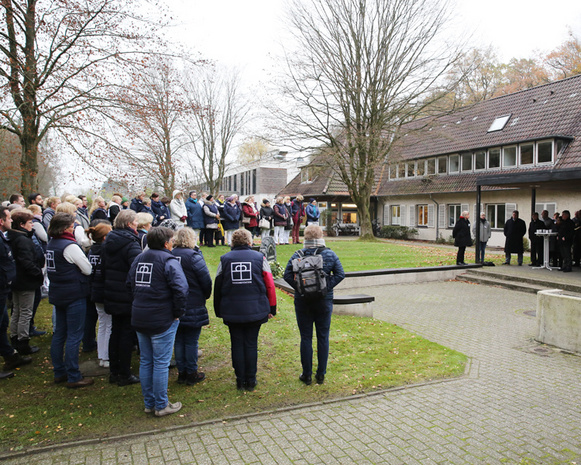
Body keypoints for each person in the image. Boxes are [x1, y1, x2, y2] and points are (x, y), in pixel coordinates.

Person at [128, 227, 188, 416]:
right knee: (160, 363)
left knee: (146, 360)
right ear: (165, 243)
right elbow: (181, 289)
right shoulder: (168, 260)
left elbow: (129, 283)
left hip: (140, 315)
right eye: (171, 240)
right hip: (162, 317)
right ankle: (161, 405)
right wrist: (177, 312)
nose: (173, 243)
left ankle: (149, 403)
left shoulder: (139, 259)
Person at [214, 229, 277, 390]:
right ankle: (251, 378)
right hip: (255, 309)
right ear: (250, 242)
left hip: (232, 309)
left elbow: (218, 285)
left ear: (233, 242)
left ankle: (240, 379)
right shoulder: (259, 258)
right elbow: (269, 284)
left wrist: (218, 309)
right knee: (250, 344)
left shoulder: (225, 259)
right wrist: (272, 307)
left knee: (236, 344)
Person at [283, 225, 345, 385]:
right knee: (323, 336)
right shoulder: (330, 254)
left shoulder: (297, 255)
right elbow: (340, 274)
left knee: (306, 337)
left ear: (306, 238)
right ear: (321, 236)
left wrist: (300, 288)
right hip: (324, 301)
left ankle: (307, 374)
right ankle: (321, 374)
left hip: (303, 301)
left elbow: (287, 275)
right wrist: (325, 288)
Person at [46, 213, 94, 388]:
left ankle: (59, 371)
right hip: (73, 293)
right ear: (65, 228)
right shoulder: (69, 246)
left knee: (60, 333)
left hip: (58, 291)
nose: (74, 228)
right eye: (72, 225)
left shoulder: (52, 244)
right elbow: (87, 269)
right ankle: (74, 375)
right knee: (74, 335)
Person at [101, 209, 142, 386]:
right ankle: (124, 373)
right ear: (128, 224)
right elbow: (136, 270)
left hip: (111, 290)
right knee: (125, 333)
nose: (137, 225)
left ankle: (114, 371)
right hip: (125, 293)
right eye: (135, 222)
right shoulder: (130, 243)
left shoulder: (109, 240)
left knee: (115, 331)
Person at [172, 227, 212, 385]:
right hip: (192, 300)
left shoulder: (170, 254)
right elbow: (205, 279)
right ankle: (191, 372)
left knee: (179, 339)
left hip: (175, 301)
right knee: (191, 340)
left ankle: (182, 372)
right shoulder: (193, 256)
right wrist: (205, 295)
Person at [7, 209, 45, 355]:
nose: (32, 225)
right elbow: (27, 261)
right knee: (25, 312)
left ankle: (14, 337)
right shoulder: (22, 240)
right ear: (22, 224)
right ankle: (23, 342)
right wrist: (37, 275)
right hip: (25, 281)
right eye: (30, 223)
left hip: (17, 279)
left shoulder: (13, 237)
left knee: (17, 310)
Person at [0, 207, 32, 379]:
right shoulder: (6, 240)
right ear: (1, 221)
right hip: (4, 285)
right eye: (8, 218)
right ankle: (15, 350)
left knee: (4, 322)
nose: (10, 220)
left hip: (6, 286)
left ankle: (11, 356)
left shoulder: (5, 238)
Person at [87, 222, 113, 368]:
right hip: (104, 290)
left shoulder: (92, 250)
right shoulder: (105, 251)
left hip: (95, 289)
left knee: (103, 323)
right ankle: (106, 355)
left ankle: (102, 354)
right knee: (108, 324)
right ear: (104, 237)